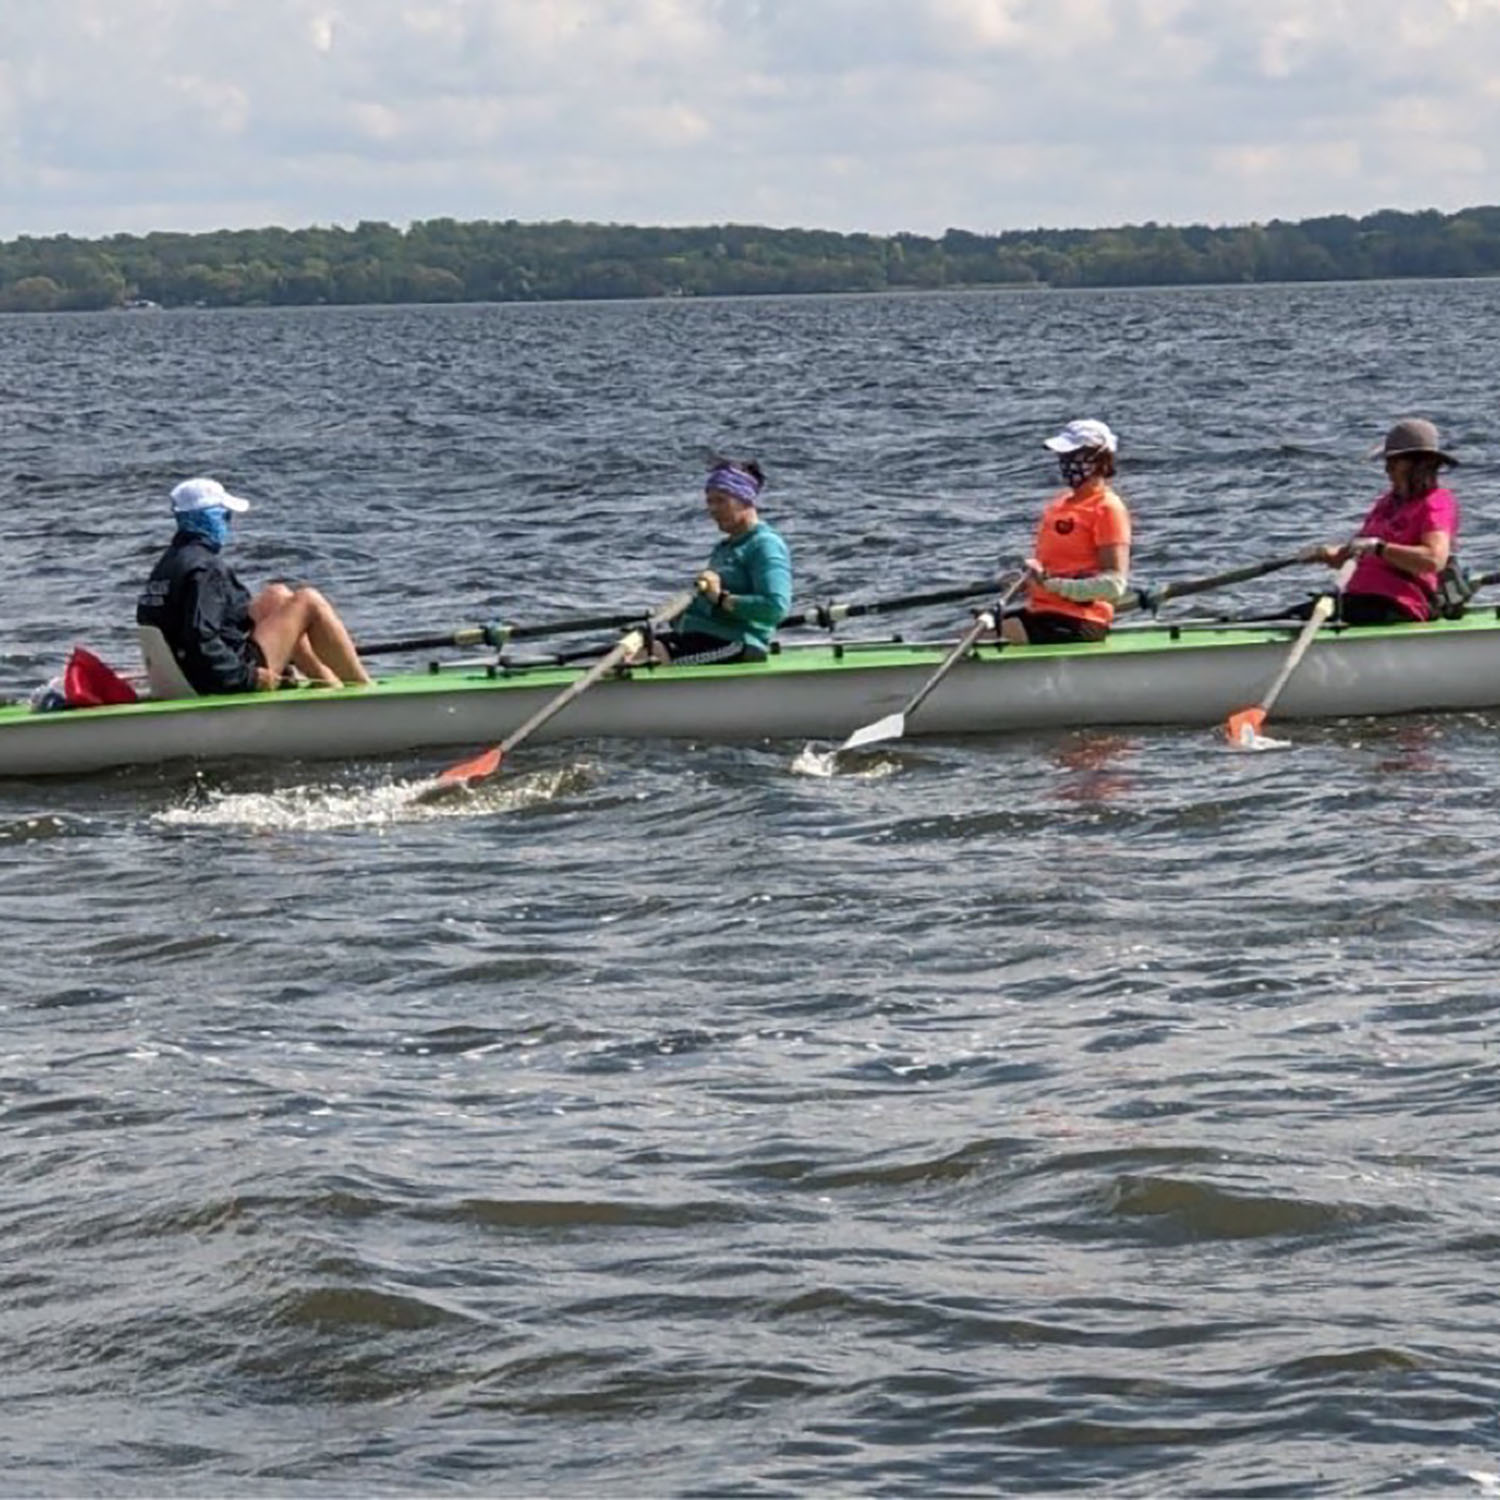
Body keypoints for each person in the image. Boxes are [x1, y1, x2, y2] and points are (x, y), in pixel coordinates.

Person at [136, 476, 373, 694]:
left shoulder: (169, 562)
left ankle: (328, 682)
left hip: (192, 670)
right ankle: (363, 689)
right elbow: (200, 638)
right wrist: (246, 677)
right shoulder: (206, 569)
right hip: (218, 678)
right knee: (308, 600)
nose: (229, 524)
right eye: (226, 517)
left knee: (277, 596)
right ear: (209, 518)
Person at [1305, 418, 1460, 625]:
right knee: (1293, 615)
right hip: (1362, 598)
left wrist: (1380, 548)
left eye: (1394, 462)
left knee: (1303, 616)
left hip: (1401, 603)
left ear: (1418, 464)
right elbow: (1358, 551)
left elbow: (1434, 559)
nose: (1387, 469)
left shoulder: (1437, 502)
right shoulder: (1385, 504)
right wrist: (1332, 554)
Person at [999, 418, 1132, 644]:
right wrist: (1027, 581)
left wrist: (1051, 584)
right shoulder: (1059, 505)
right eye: (1063, 457)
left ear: (1099, 459)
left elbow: (1113, 586)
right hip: (1044, 613)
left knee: (991, 634)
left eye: (1073, 457)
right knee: (980, 626)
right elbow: (1055, 569)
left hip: (1081, 621)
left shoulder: (1108, 508)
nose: (1066, 463)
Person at [651, 459, 793, 664]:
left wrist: (720, 598)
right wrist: (676, 613)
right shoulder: (723, 549)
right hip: (702, 637)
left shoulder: (765, 545)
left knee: (650, 657)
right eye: (710, 502)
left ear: (745, 500)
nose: (713, 509)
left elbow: (775, 608)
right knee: (630, 649)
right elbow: (709, 605)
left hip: (738, 643)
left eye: (721, 501)